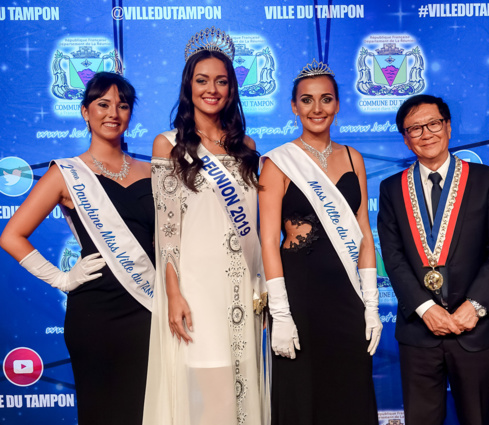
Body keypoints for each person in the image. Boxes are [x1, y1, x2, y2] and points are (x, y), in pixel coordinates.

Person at [0, 72, 154, 425]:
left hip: (149, 307)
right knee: (103, 411)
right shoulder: (66, 173)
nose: (112, 113)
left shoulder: (152, 171)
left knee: (150, 411)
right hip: (95, 313)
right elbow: (12, 235)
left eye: (123, 105)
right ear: (85, 112)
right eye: (102, 104)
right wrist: (61, 279)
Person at [142, 27, 266, 425]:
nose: (212, 89)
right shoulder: (168, 144)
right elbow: (168, 230)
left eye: (221, 81)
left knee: (239, 389)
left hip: (240, 285)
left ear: (231, 89)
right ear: (188, 86)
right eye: (202, 80)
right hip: (196, 287)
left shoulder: (247, 147)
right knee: (208, 394)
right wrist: (173, 294)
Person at [259, 59, 381, 425]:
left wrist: (371, 304)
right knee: (303, 394)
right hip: (300, 296)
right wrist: (280, 314)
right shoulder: (278, 162)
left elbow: (363, 233)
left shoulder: (352, 157)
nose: (317, 108)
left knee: (348, 392)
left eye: (326, 99)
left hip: (347, 297)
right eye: (307, 100)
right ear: (294, 107)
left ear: (338, 104)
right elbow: (268, 241)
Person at [377, 94, 489, 425]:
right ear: (406, 139)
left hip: (476, 329)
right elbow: (393, 258)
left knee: (476, 419)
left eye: (433, 123)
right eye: (415, 128)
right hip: (419, 331)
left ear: (448, 127)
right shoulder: (392, 189)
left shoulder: (486, 180)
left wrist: (474, 306)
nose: (426, 133)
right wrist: (426, 308)